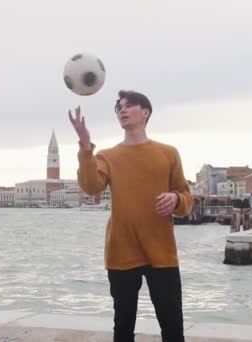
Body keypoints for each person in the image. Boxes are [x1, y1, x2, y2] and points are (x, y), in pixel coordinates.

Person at [69, 90, 194, 342]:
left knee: (173, 327)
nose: (122, 110)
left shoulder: (168, 153)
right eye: (118, 107)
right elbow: (91, 186)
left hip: (162, 252)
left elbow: (185, 198)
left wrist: (176, 199)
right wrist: (85, 146)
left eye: (128, 105)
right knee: (123, 327)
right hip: (121, 251)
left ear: (145, 112)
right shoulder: (107, 156)